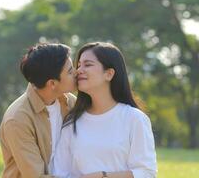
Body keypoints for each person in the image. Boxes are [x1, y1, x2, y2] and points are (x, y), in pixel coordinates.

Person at [53, 42, 157, 178]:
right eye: (78, 65)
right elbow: (59, 173)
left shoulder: (134, 119)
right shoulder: (71, 123)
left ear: (109, 74)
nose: (78, 70)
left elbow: (146, 173)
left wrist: (103, 176)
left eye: (88, 64)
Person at [0, 43, 77, 178]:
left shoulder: (70, 103)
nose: (76, 73)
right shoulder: (18, 119)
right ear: (52, 83)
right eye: (70, 71)